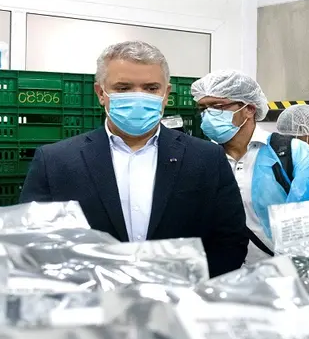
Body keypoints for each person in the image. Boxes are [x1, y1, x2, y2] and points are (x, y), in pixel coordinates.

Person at [19, 41, 247, 276]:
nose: (138, 97)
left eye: (150, 88)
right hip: (91, 305)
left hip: (180, 303)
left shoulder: (206, 159)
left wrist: (184, 288)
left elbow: (230, 241)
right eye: (123, 88)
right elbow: (34, 244)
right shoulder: (56, 161)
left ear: (166, 94)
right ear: (100, 93)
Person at [192, 69, 309, 261]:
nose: (208, 115)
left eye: (217, 106)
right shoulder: (203, 158)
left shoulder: (289, 152)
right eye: (203, 108)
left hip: (283, 274)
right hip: (225, 276)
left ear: (249, 109)